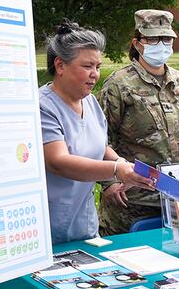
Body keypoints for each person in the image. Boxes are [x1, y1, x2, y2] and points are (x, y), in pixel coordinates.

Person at [97, 10, 179, 235]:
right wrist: (109, 182)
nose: (161, 45)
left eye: (166, 39)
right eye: (153, 39)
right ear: (137, 43)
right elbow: (99, 139)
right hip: (132, 204)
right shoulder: (119, 85)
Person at [40, 22, 155, 244]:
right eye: (87, 66)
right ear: (60, 65)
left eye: (98, 67)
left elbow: (98, 146)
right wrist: (116, 170)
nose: (95, 75)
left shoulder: (90, 101)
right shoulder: (43, 107)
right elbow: (58, 162)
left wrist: (121, 163)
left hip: (83, 226)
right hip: (50, 228)